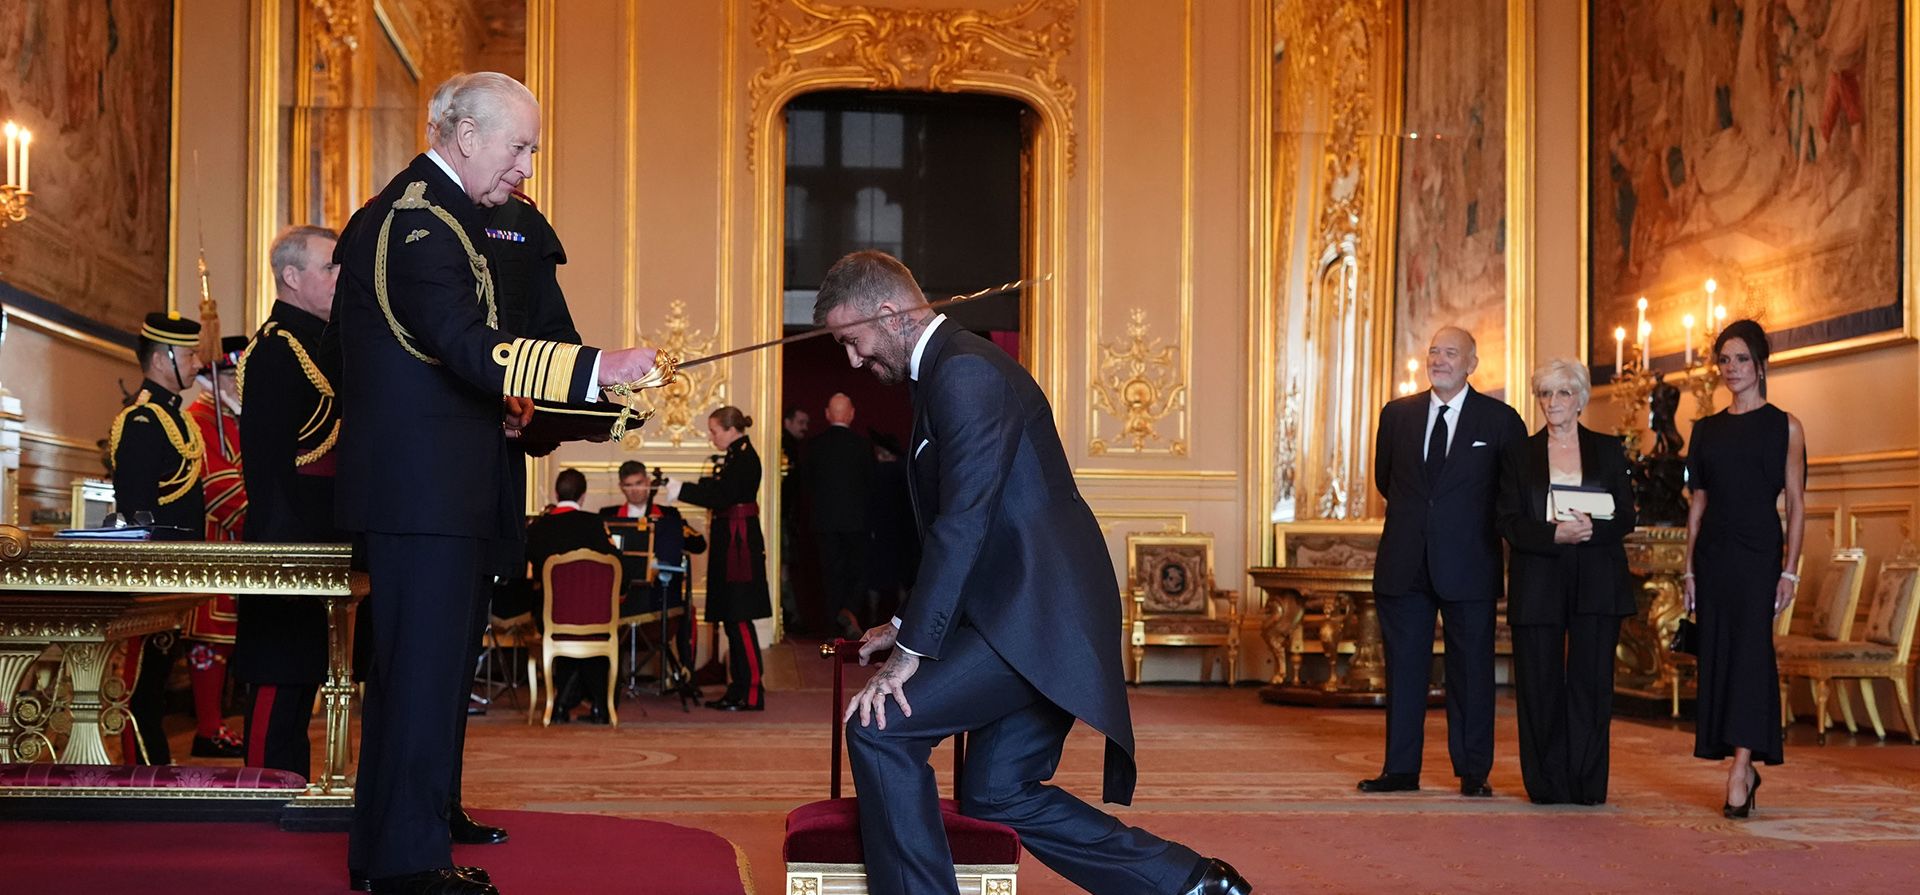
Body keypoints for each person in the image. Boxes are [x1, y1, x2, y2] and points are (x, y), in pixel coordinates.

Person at [818, 251, 1247, 895]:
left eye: (852, 341)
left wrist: (910, 652)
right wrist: (909, 620)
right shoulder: (946, 372)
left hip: (1036, 619)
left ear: (889, 313)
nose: (853, 362)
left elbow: (963, 522)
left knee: (879, 729)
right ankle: (1191, 884)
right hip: (1027, 610)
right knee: (996, 792)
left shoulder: (963, 373)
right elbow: (976, 525)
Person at [333, 71, 657, 895]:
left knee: (427, 676)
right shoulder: (417, 222)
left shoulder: (440, 216)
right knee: (420, 676)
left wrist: (593, 400)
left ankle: (391, 847)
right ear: (466, 136)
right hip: (425, 496)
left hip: (440, 493)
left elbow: (474, 355)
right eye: (519, 147)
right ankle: (409, 864)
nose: (525, 167)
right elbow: (466, 343)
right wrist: (598, 367)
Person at [1361, 325, 1526, 798]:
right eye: (1434, 352)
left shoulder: (1500, 421)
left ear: (1471, 363)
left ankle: (1473, 771)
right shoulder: (1398, 415)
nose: (1440, 360)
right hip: (1405, 562)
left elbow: (1508, 492)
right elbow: (1387, 480)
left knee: (1472, 673)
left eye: (1451, 353)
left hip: (1470, 563)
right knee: (1404, 670)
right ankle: (1400, 769)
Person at [1496, 359, 1637, 805]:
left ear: (1579, 399)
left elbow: (1627, 515)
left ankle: (1586, 784)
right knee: (1538, 684)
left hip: (1597, 577)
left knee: (1591, 684)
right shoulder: (1519, 454)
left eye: (1562, 393)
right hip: (1538, 576)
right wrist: (1553, 533)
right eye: (1544, 394)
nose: (1552, 403)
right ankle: (1546, 784)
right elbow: (1508, 520)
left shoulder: (1608, 450)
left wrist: (1593, 530)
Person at [1683, 319, 1806, 819]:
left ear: (1760, 364)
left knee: (1752, 656)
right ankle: (1740, 764)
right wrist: (1689, 569)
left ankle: (1741, 766)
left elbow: (1796, 503)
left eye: (1740, 359)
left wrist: (1790, 570)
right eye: (1724, 360)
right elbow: (1698, 504)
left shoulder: (1786, 426)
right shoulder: (1705, 430)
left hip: (1759, 557)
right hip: (1713, 558)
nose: (1731, 369)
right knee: (1720, 656)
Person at [235, 224, 343, 779]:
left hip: (326, 540)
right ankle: (261, 797)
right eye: (330, 266)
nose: (339, 276)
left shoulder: (325, 344)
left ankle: (292, 791)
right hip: (290, 547)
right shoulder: (277, 349)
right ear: (293, 277)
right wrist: (284, 558)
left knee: (307, 681)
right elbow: (267, 464)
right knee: (281, 681)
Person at [107, 311, 208, 766]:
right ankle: (140, 773)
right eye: (188, 354)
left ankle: (155, 767)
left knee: (158, 681)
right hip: (152, 579)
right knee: (141, 686)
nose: (197, 363)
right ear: (162, 358)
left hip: (175, 575)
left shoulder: (176, 420)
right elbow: (135, 510)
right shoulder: (142, 422)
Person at [664, 406, 772, 711]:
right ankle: (737, 688)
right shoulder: (737, 455)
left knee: (738, 616)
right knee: (731, 616)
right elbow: (718, 489)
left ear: (730, 429)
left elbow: (722, 496)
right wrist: (681, 486)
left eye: (714, 431)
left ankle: (751, 691)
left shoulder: (745, 457)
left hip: (739, 545)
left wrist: (681, 490)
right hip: (732, 542)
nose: (711, 437)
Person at [181, 335, 251, 759]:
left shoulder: (233, 416)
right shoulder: (200, 416)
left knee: (224, 637)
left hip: (235, 545)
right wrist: (254, 519)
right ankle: (208, 727)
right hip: (213, 539)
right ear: (220, 377)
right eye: (237, 377)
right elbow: (217, 482)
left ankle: (215, 724)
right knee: (210, 633)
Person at [600, 460, 706, 699]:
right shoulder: (608, 516)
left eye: (639, 483)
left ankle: (686, 676)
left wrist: (675, 529)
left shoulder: (668, 514)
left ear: (648, 483)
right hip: (622, 596)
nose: (635, 490)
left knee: (685, 611)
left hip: (659, 596)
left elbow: (698, 544)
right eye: (629, 485)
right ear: (621, 487)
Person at [525, 468, 621, 724]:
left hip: (551, 616)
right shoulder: (594, 524)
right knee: (592, 636)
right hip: (596, 617)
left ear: (557, 493)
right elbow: (617, 564)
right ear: (584, 495)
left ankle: (561, 705)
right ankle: (599, 707)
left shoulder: (537, 527)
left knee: (567, 635)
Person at [808, 392, 875, 637]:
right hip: (856, 522)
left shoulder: (814, 446)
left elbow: (807, 486)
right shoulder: (862, 445)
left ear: (827, 415)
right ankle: (849, 611)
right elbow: (871, 486)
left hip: (824, 522)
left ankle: (831, 629)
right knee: (857, 571)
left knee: (830, 575)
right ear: (851, 414)